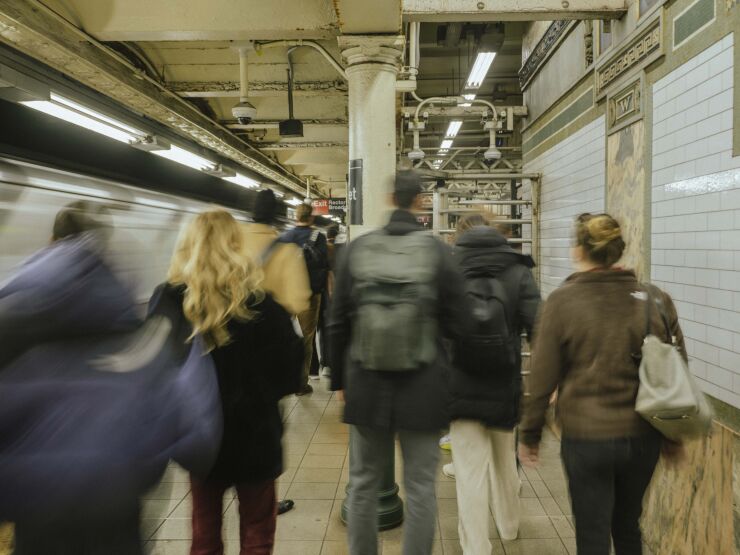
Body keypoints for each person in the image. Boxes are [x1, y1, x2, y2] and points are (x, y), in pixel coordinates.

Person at [518, 213, 685, 555]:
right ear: (619, 249)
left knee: (592, 535)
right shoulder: (656, 299)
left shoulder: (563, 301)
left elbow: (542, 375)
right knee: (627, 526)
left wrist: (530, 435)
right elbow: (676, 368)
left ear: (579, 250)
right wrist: (672, 435)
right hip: (643, 437)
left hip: (587, 438)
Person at [328, 170, 469, 555]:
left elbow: (336, 319)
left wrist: (339, 381)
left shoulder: (358, 249)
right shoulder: (438, 252)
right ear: (419, 202)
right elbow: (461, 325)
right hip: (423, 387)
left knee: (362, 484)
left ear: (390, 198)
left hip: (366, 385)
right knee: (422, 487)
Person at [158, 210, 303, 555]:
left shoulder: (170, 301)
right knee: (257, 531)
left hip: (201, 439)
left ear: (188, 246)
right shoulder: (264, 305)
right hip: (256, 437)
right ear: (237, 245)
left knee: (204, 530)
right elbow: (290, 374)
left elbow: (157, 372)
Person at [447, 213, 541, 547]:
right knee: (505, 462)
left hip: (458, 386)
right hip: (504, 384)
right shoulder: (517, 270)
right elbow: (538, 327)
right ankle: (509, 526)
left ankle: (476, 547)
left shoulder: (449, 269)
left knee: (469, 473)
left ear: (459, 237)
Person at [243, 189, 312, 516]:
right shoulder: (285, 250)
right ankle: (263, 499)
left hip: (228, 342)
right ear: (278, 216)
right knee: (265, 424)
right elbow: (300, 301)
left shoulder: (230, 242)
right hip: (268, 348)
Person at [281, 202, 330, 395]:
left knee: (285, 333)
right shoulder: (318, 237)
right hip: (310, 295)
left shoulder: (285, 237)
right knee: (307, 338)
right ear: (311, 218)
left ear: (296, 216)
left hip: (286, 293)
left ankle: (284, 377)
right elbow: (325, 266)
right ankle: (301, 384)